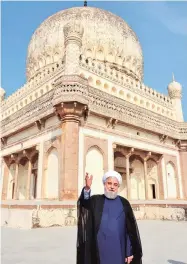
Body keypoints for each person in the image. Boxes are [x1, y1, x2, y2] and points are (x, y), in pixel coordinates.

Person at [76, 170, 143, 264]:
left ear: (118, 187)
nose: (112, 187)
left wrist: (129, 252)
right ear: (104, 184)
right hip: (99, 249)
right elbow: (84, 203)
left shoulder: (124, 203)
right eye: (109, 183)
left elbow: (129, 230)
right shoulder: (96, 200)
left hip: (119, 249)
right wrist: (87, 188)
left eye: (115, 184)